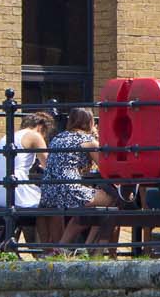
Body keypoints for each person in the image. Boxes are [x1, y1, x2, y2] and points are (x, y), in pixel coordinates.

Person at [41, 107, 118, 250]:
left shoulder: (58, 137)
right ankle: (91, 247)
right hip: (69, 190)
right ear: (89, 122)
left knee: (84, 209)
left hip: (49, 191)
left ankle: (62, 247)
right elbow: (106, 168)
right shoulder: (87, 140)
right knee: (111, 199)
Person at [0, 110, 54, 246]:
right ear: (41, 127)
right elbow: (49, 165)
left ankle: (30, 248)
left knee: (40, 200)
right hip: (16, 191)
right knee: (49, 205)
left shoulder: (9, 136)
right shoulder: (35, 135)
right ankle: (49, 248)